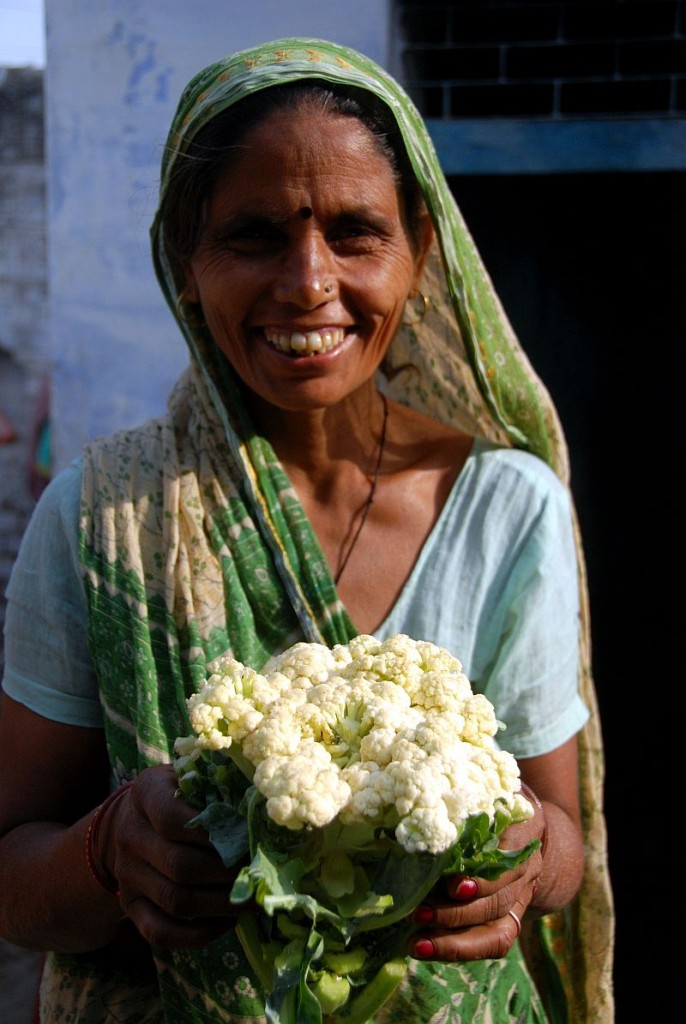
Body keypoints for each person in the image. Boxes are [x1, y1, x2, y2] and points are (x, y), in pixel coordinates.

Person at [0, 37, 613, 1024]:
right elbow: (14, 875)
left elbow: (563, 842)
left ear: (419, 253)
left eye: (354, 232)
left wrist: (522, 864)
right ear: (185, 266)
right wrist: (109, 851)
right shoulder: (104, 517)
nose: (306, 282)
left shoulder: (505, 507)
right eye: (251, 236)